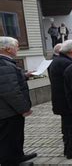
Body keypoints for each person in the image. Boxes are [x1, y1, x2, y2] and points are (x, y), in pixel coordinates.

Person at [0, 37, 37, 165]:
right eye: (16, 46)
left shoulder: (6, 62)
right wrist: (24, 109)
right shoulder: (3, 64)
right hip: (8, 111)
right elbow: (10, 91)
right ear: (7, 49)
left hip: (9, 110)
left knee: (16, 136)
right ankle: (10, 162)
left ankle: (18, 156)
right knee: (8, 139)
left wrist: (25, 75)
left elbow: (9, 80)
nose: (18, 48)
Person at [49, 40, 72, 159]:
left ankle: (69, 149)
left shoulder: (58, 60)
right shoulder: (66, 63)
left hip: (61, 101)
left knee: (67, 127)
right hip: (67, 102)